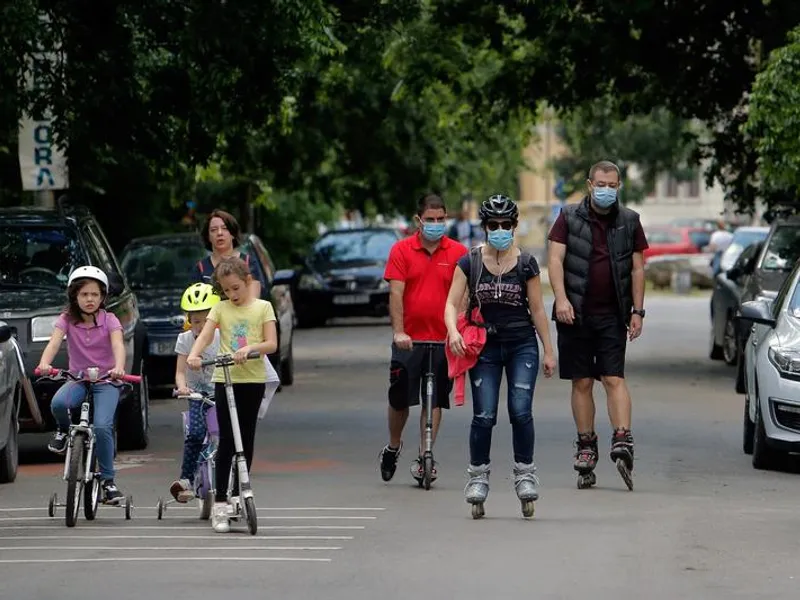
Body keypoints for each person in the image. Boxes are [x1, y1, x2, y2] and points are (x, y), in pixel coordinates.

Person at [445, 194, 556, 516]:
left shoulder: (526, 263)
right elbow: (451, 304)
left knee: (520, 411)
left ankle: (525, 474)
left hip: (521, 344)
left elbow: (536, 309)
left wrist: (549, 351)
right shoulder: (470, 262)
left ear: (514, 226)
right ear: (484, 227)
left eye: (506, 225)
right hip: (485, 347)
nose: (500, 230)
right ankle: (477, 476)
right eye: (493, 225)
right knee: (485, 415)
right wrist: (453, 332)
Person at [546, 160, 649, 490]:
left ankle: (622, 437)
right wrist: (561, 299)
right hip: (574, 314)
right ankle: (586, 444)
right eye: (600, 184)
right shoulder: (568, 217)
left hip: (612, 315)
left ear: (619, 186)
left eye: (612, 185)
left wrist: (638, 311)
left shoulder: (630, 221)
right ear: (590, 184)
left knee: (613, 377)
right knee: (582, 382)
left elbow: (637, 269)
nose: (606, 190)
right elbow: (555, 260)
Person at [378, 193, 468, 484]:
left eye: (441, 219)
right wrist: (399, 331)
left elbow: (463, 295)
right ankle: (393, 445)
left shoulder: (458, 252)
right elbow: (396, 293)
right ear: (419, 220)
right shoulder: (402, 250)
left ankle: (424, 453)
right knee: (400, 397)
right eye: (430, 220)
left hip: (444, 339)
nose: (436, 224)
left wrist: (459, 331)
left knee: (436, 398)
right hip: (410, 339)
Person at [187, 256, 277, 533]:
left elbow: (271, 344)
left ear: (248, 281)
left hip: (253, 379)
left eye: (236, 288)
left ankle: (239, 494)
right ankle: (221, 504)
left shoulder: (263, 307)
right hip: (225, 380)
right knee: (226, 441)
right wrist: (195, 353)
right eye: (226, 290)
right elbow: (204, 335)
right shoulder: (221, 309)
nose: (232, 294)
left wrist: (250, 350)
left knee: (245, 439)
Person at [38, 266, 127, 504]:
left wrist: (119, 367)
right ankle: (63, 430)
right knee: (58, 403)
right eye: (84, 294)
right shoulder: (66, 319)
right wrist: (45, 363)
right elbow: (54, 343)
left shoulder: (110, 320)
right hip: (77, 379)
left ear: (102, 297)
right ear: (74, 297)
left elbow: (118, 345)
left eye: (95, 295)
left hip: (107, 381)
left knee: (102, 426)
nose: (89, 299)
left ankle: (108, 481)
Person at [169, 282, 222, 503]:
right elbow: (180, 372)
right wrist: (182, 387)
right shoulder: (185, 340)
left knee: (226, 434)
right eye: (195, 321)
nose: (199, 327)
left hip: (220, 391)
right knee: (195, 434)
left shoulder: (223, 337)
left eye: (205, 320)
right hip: (197, 393)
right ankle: (186, 479)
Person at [191, 209, 262, 300]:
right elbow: (195, 303)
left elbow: (254, 300)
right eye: (214, 230)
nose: (219, 233)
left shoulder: (249, 262)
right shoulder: (200, 268)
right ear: (208, 237)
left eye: (225, 228)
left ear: (232, 234)